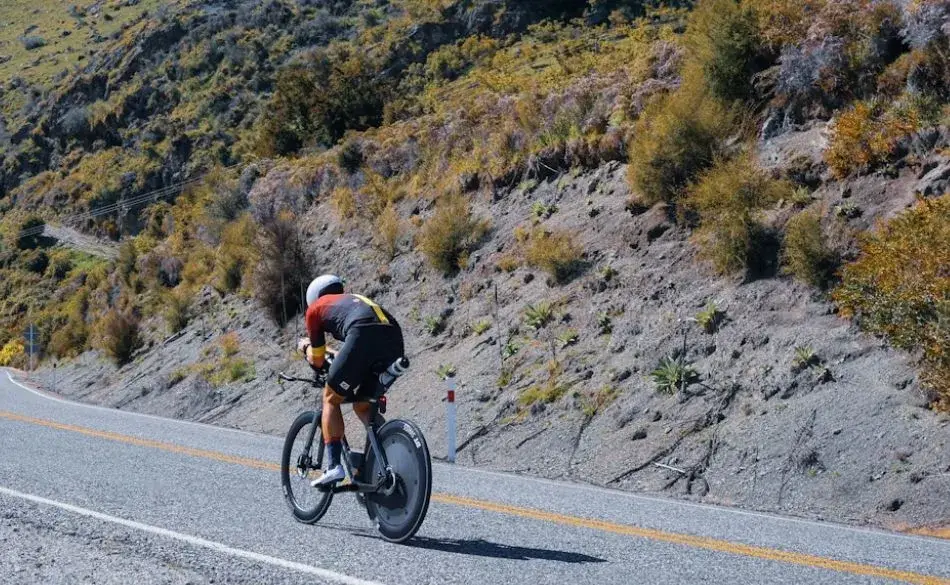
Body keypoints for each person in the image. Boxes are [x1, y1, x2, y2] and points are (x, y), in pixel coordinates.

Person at [297, 274, 405, 486]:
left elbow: (317, 360)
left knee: (331, 398)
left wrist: (305, 346)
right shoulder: (351, 301)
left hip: (362, 334)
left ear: (313, 298)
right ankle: (383, 462)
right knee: (364, 406)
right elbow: (352, 350)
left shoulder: (315, 309)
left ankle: (334, 466)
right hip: (393, 339)